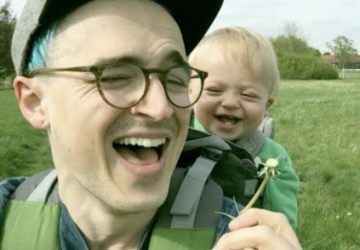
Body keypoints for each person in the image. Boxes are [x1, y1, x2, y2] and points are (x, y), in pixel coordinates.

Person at [0, 0, 302, 249]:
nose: (161, 108)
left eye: (175, 79)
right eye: (116, 76)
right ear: (35, 102)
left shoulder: (233, 234)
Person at [189, 27, 300, 229]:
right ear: (190, 92)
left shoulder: (271, 159)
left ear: (267, 106)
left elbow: (281, 225)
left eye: (248, 95)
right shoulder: (175, 137)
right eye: (214, 90)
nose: (230, 103)